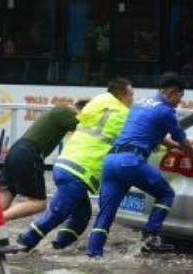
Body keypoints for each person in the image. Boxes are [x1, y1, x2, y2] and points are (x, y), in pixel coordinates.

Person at [87, 73, 193, 257]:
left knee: (106, 214)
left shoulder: (141, 104)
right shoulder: (166, 111)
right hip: (130, 162)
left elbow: (158, 136)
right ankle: (150, 237)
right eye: (180, 97)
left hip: (111, 161)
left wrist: (181, 145)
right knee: (166, 193)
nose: (179, 102)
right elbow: (183, 142)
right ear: (170, 92)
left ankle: (93, 255)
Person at [17, 78, 134, 251]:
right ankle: (25, 242)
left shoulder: (97, 103)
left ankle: (60, 244)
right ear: (122, 96)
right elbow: (138, 138)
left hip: (64, 163)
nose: (133, 98)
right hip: (80, 170)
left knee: (82, 214)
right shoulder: (123, 115)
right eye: (131, 94)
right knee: (58, 212)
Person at [0, 100, 89, 221]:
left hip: (17, 150)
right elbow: (89, 129)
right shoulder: (67, 112)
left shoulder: (59, 110)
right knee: (38, 203)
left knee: (7, 193)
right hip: (29, 154)